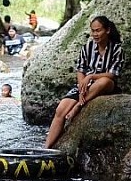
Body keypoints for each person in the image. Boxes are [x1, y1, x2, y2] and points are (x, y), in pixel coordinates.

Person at [43, 15, 124, 148]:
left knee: (104, 81)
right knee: (60, 110)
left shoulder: (117, 49)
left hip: (105, 85)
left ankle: (78, 106)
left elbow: (113, 74)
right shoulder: (87, 47)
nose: (95, 34)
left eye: (98, 30)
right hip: (86, 86)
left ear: (107, 30)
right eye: (93, 31)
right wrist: (82, 87)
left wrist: (91, 77)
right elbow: (80, 69)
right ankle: (46, 149)